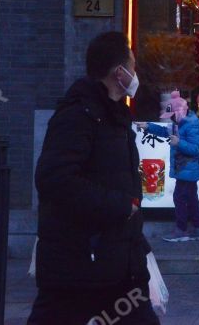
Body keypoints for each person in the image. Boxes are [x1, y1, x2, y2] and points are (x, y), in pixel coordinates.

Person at [28, 31, 160, 324]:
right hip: (79, 267)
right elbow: (54, 179)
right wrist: (121, 205)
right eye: (133, 66)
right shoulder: (78, 115)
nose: (136, 74)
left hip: (118, 266)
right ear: (119, 73)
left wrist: (136, 246)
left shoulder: (114, 116)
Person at [136, 90, 199, 242]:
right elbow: (164, 131)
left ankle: (181, 230)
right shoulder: (179, 123)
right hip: (185, 169)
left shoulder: (191, 125)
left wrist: (179, 143)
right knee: (191, 197)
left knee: (180, 197)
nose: (171, 119)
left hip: (189, 169)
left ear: (179, 112)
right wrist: (148, 126)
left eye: (172, 115)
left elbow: (195, 148)